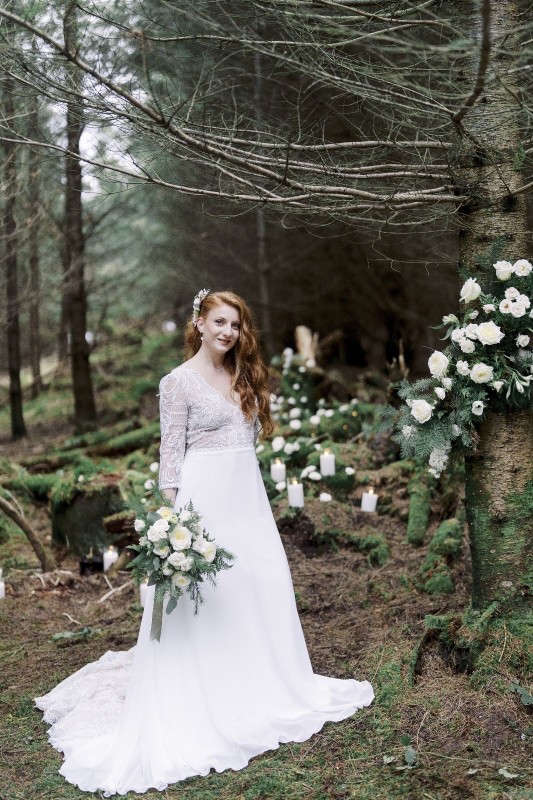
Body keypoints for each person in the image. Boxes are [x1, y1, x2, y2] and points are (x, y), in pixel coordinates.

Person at [35, 290, 374, 796]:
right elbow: (171, 454)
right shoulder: (177, 382)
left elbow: (247, 442)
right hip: (204, 503)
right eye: (219, 322)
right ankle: (210, 691)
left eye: (235, 324)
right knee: (211, 594)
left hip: (247, 501)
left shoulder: (243, 374)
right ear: (199, 323)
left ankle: (264, 682)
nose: (228, 332)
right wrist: (171, 525)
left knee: (262, 581)